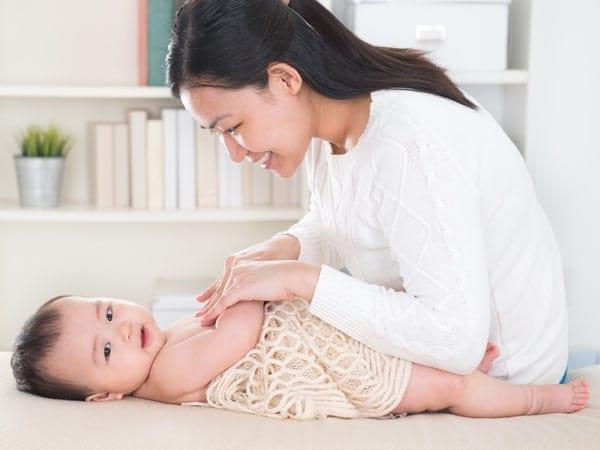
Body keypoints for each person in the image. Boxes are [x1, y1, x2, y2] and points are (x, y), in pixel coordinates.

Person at [167, 0, 569, 385]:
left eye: (233, 127)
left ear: (286, 79)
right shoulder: (332, 129)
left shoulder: (408, 146)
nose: (234, 154)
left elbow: (457, 340)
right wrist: (288, 246)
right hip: (453, 362)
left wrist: (301, 280)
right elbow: (357, 218)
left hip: (507, 376)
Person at [9, 295, 589, 420]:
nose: (122, 327)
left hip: (324, 340)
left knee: (399, 331)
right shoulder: (163, 378)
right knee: (447, 389)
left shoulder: (162, 339)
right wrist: (247, 291)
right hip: (335, 372)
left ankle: (464, 364)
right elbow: (237, 338)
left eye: (109, 311)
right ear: (106, 394)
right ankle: (542, 398)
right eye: (106, 349)